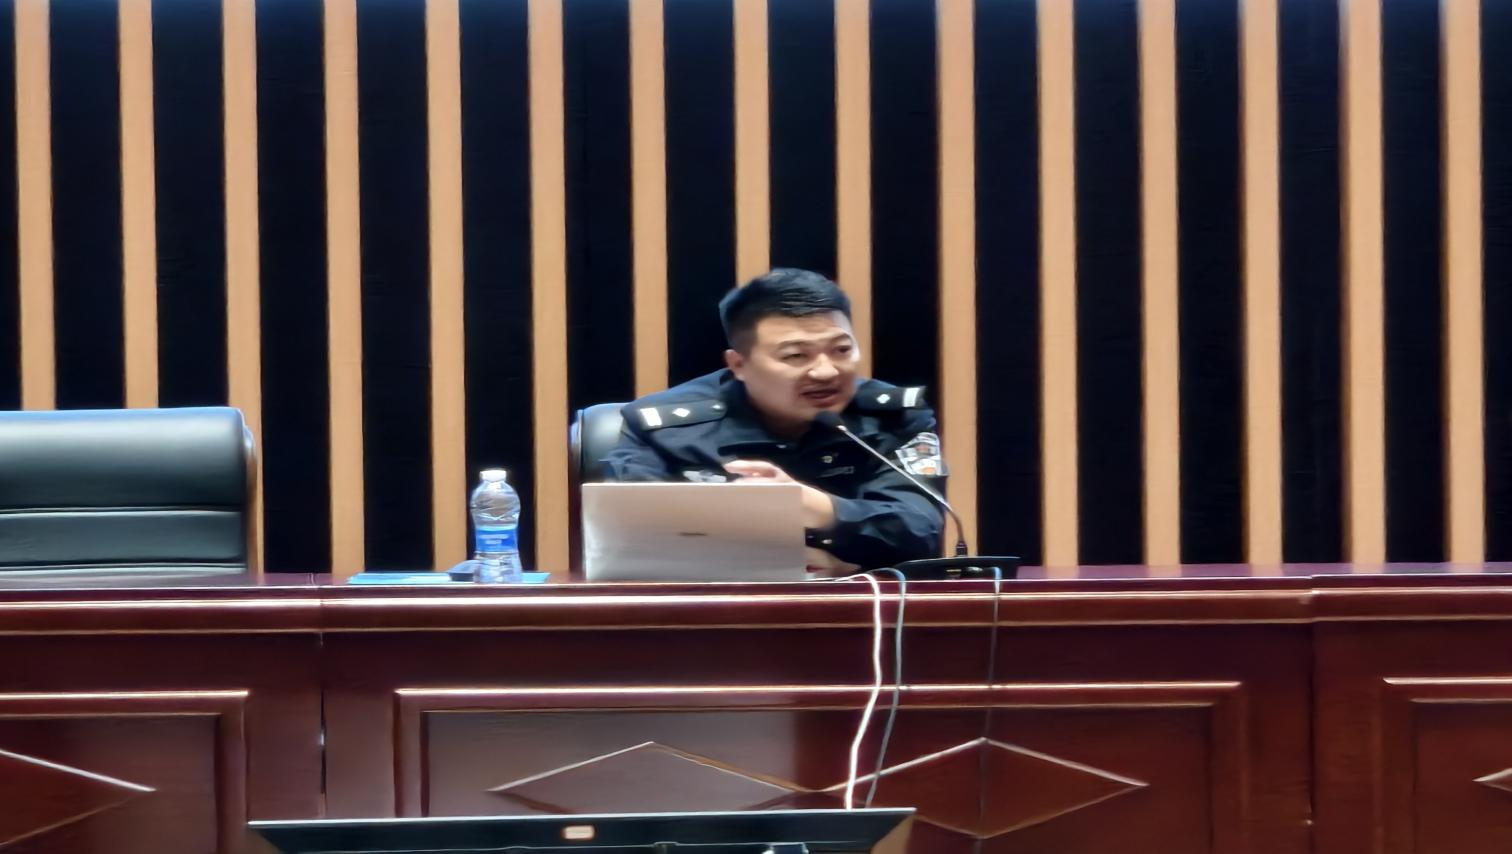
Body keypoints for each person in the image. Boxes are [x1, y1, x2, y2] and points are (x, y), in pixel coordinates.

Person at [602, 268, 946, 573]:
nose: (826, 371)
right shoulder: (664, 428)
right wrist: (778, 561)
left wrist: (815, 508)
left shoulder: (894, 417)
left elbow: (921, 529)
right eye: (796, 355)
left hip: (862, 608)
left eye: (842, 350)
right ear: (738, 365)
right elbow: (632, 538)